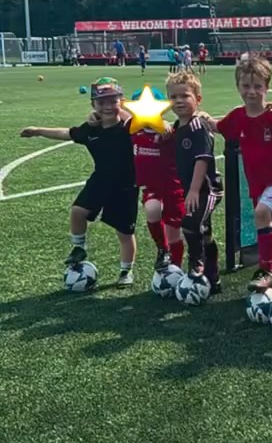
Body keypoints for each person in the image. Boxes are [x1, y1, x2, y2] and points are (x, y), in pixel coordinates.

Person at [20, 78, 138, 286]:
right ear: (93, 105)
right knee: (77, 211)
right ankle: (79, 248)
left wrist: (125, 110)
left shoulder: (130, 126)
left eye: (113, 101)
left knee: (124, 232)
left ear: (122, 101)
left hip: (126, 186)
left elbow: (147, 121)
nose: (108, 106)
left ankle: (126, 271)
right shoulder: (90, 129)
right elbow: (66, 133)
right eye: (101, 103)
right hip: (100, 180)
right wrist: (38, 130)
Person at [208, 56, 272, 292]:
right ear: (238, 87)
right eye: (246, 86)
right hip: (257, 185)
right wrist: (203, 119)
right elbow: (220, 127)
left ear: (267, 88)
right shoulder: (237, 116)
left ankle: (264, 270)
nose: (251, 91)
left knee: (262, 212)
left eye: (258, 86)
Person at [166, 72, 222, 292]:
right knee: (204, 232)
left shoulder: (199, 126)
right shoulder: (177, 127)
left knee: (190, 223)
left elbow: (202, 160)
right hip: (192, 189)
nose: (179, 101)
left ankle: (196, 262)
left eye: (185, 96)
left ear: (198, 99)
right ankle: (213, 277)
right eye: (174, 97)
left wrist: (194, 190)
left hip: (208, 188)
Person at [130, 88, 186, 272]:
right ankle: (162, 249)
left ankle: (176, 268)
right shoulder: (132, 129)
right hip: (151, 185)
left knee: (174, 230)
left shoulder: (169, 131)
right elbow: (118, 115)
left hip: (172, 186)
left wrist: (169, 128)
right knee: (152, 210)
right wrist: (94, 115)